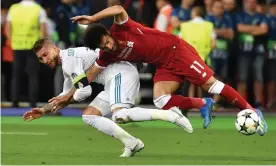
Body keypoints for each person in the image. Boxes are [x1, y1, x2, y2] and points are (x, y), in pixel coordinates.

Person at [60, 5, 267, 135]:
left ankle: (251, 110)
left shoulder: (122, 27)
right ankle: (204, 104)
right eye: (103, 47)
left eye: (106, 41)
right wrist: (67, 96)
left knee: (212, 85)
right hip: (163, 64)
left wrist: (93, 18)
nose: (108, 47)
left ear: (107, 33)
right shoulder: (107, 55)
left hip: (176, 50)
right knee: (161, 100)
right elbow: (89, 76)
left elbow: (117, 8)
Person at [23, 38, 193, 157]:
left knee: (119, 115)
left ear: (54, 48)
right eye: (40, 59)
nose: (44, 60)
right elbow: (66, 93)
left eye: (45, 54)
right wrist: (44, 110)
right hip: (111, 81)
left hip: (120, 72)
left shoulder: (68, 60)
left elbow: (83, 92)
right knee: (89, 115)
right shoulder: (67, 63)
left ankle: (171, 114)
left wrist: (66, 99)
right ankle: (132, 143)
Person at [6, 0, 47, 107]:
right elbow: (43, 31)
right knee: (33, 75)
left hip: (17, 45)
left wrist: (12, 41)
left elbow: (8, 28)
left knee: (16, 75)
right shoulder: (39, 9)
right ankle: (32, 103)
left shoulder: (13, 8)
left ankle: (14, 102)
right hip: (33, 46)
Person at [236, 0, 268, 108]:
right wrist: (256, 29)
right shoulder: (240, 15)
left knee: (258, 78)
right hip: (243, 52)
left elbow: (264, 30)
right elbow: (240, 28)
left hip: (258, 51)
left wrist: (248, 29)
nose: (251, 4)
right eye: (249, 2)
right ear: (245, 3)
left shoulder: (261, 16)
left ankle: (258, 102)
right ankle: (241, 103)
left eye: (253, 2)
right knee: (242, 78)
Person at [205, 0, 234, 104]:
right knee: (210, 76)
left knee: (221, 76)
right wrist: (223, 31)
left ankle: (215, 102)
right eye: (217, 7)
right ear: (212, 8)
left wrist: (217, 31)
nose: (219, 9)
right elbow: (207, 33)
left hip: (223, 53)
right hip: (211, 53)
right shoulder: (208, 18)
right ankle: (207, 100)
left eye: (221, 7)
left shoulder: (227, 19)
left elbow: (231, 34)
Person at [266, 1, 276, 109]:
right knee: (271, 78)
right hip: (270, 52)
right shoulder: (267, 19)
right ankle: (270, 102)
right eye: (273, 7)